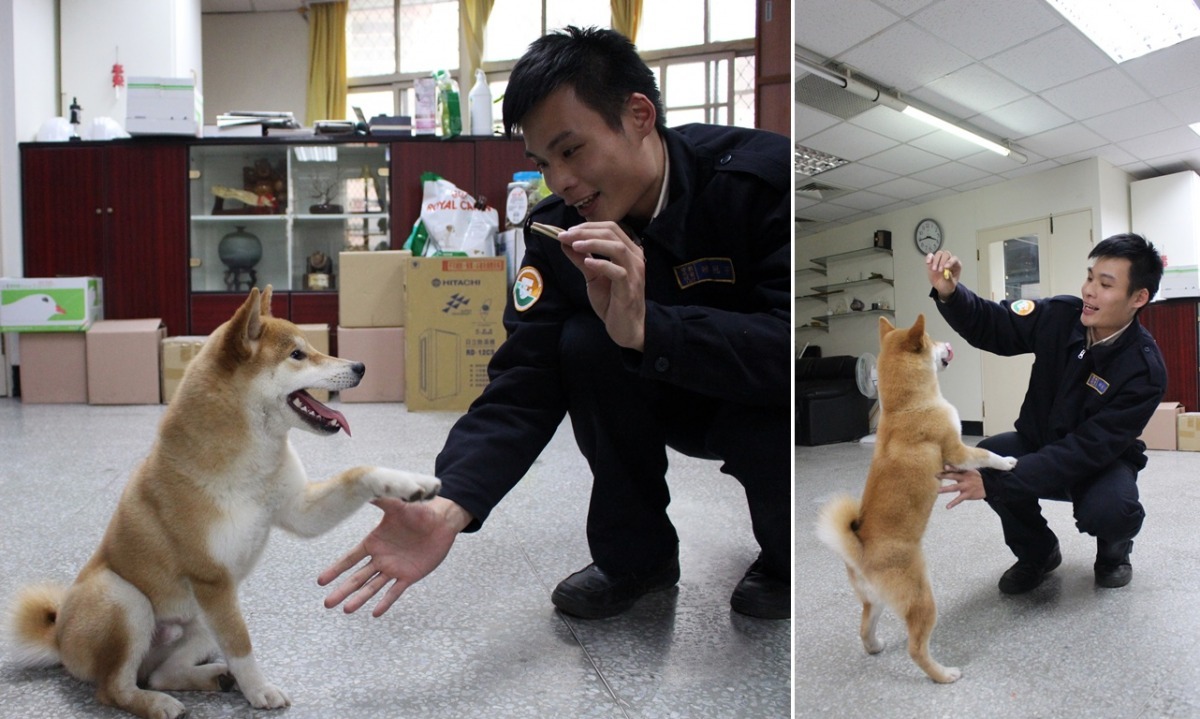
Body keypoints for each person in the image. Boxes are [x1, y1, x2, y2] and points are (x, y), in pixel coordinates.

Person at [318, 26, 791, 620]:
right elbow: (522, 384)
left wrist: (649, 329)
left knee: (781, 466)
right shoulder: (557, 234)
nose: (560, 181)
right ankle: (635, 558)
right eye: (543, 162)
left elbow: (787, 350)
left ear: (639, 115)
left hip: (756, 397)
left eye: (572, 151)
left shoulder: (760, 185)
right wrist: (450, 501)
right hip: (656, 396)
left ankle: (783, 557)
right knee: (581, 341)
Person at [927, 234, 1166, 594]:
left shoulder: (1144, 369)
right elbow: (995, 324)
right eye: (1089, 277)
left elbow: (1086, 449)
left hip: (1099, 462)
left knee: (1112, 509)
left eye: (1105, 284)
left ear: (1138, 298)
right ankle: (1037, 552)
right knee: (987, 460)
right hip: (1038, 441)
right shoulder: (1059, 316)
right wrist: (951, 292)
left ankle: (1115, 553)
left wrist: (998, 483)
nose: (1089, 290)